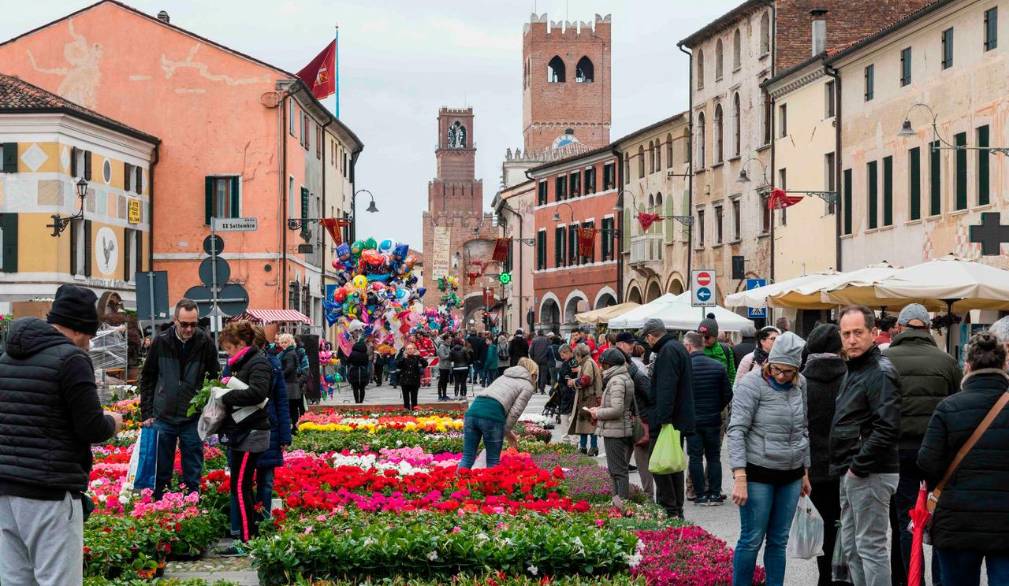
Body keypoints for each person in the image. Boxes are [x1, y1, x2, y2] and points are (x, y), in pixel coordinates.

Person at [0, 285, 123, 586]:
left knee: (14, 581)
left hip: (6, 490)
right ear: (79, 328)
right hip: (50, 492)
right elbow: (91, 427)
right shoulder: (72, 360)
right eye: (90, 335)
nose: (90, 343)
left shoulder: (6, 357)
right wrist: (113, 421)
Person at [918, 332, 1009, 586]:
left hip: (956, 521)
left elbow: (926, 464)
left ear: (967, 366)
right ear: (1004, 365)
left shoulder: (948, 407)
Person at [885, 303, 961, 586]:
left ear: (900, 327)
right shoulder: (947, 362)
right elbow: (957, 406)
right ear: (928, 328)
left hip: (899, 451)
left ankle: (911, 580)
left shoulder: (886, 359)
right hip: (939, 452)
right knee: (938, 518)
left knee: (907, 521)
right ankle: (941, 581)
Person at [728, 331, 811, 586]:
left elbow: (803, 428)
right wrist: (739, 476)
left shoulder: (801, 384)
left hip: (791, 474)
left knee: (779, 540)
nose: (781, 376)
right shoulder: (751, 383)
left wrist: (805, 471)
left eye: (788, 371)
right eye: (777, 369)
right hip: (758, 473)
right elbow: (736, 430)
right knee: (752, 539)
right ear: (769, 362)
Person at [832, 305, 901, 586]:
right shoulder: (855, 368)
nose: (851, 340)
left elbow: (887, 428)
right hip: (854, 469)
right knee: (852, 546)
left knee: (870, 547)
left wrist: (857, 467)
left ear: (873, 333)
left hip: (870, 471)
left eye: (857, 332)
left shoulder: (879, 371)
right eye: (846, 333)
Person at [140, 298, 220, 499]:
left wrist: (206, 408)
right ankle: (161, 504)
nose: (189, 329)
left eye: (193, 324)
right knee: (161, 468)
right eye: (184, 324)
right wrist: (147, 413)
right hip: (163, 415)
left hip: (192, 417)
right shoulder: (161, 341)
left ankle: (191, 504)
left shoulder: (205, 343)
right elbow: (148, 377)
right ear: (175, 320)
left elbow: (215, 379)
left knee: (192, 468)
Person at [227, 327, 290, 539]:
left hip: (263, 429)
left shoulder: (268, 365)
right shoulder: (235, 364)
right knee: (241, 484)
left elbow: (280, 401)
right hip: (244, 428)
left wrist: (284, 434)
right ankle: (241, 529)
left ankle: (259, 529)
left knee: (261, 483)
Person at [217, 321, 273, 553]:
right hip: (242, 432)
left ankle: (247, 540)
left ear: (241, 344)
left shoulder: (258, 362)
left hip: (251, 433)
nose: (228, 353)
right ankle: (247, 538)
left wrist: (226, 396)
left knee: (240, 486)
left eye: (229, 348)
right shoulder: (243, 363)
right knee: (241, 486)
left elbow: (258, 393)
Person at [802, 323, 847, 586]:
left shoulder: (802, 382)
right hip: (847, 466)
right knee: (845, 524)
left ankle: (825, 577)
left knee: (822, 525)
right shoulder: (851, 378)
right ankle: (843, 576)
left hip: (814, 468)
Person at [638, 318, 695, 519]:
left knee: (661, 465)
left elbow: (666, 388)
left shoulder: (668, 351)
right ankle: (676, 509)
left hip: (667, 421)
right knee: (672, 464)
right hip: (676, 419)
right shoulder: (676, 347)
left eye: (647, 339)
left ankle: (670, 509)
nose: (647, 342)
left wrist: (661, 420)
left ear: (651, 336)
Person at [458, 358, 538, 469]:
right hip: (492, 416)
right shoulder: (527, 385)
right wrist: (505, 432)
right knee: (492, 461)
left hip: (472, 412)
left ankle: (458, 480)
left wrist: (507, 433)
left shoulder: (503, 376)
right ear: (533, 373)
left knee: (467, 457)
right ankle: (490, 481)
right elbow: (515, 412)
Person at [683, 331, 732, 506]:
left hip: (693, 421)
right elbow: (728, 394)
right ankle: (715, 493)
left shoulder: (685, 368)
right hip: (713, 419)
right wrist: (716, 408)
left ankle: (700, 494)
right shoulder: (718, 366)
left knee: (695, 457)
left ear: (689, 346)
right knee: (714, 457)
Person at [588, 349, 635, 502]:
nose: (601, 367)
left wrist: (598, 413)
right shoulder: (621, 377)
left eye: (602, 364)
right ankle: (617, 502)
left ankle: (620, 503)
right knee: (617, 470)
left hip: (616, 430)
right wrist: (599, 409)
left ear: (609, 364)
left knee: (617, 471)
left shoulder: (616, 381)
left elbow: (617, 410)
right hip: (617, 428)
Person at [615, 332, 654, 497]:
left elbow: (649, 395)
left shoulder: (635, 371)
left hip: (639, 420)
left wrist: (644, 418)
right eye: (629, 343)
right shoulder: (624, 369)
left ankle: (648, 496)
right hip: (626, 420)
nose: (632, 345)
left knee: (641, 461)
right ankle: (620, 494)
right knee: (622, 461)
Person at [567, 343, 603, 456]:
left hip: (590, 398)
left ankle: (593, 447)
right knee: (583, 424)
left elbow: (586, 380)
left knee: (591, 425)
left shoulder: (588, 363)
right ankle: (583, 447)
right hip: (587, 398)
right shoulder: (587, 362)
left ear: (579, 355)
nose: (575, 358)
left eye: (576, 356)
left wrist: (573, 382)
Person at [698, 315, 737, 389]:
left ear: (715, 336)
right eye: (700, 336)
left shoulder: (726, 350)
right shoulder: (696, 350)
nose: (703, 339)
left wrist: (728, 389)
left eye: (706, 337)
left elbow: (732, 374)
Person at [278, 334, 303, 434]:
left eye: (285, 342)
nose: (283, 344)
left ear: (290, 342)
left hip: (290, 384)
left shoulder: (289, 353)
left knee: (291, 408)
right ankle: (294, 428)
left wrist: (280, 375)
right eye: (282, 342)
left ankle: (293, 429)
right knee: (293, 408)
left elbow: (290, 367)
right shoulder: (289, 352)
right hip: (292, 384)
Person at [397, 342, 428, 410]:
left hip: (414, 381)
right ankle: (406, 411)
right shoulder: (403, 357)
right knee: (406, 399)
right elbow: (398, 365)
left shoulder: (418, 357)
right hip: (405, 381)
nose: (409, 350)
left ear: (414, 349)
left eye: (411, 348)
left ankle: (414, 411)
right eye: (408, 349)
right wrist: (403, 358)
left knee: (414, 399)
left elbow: (425, 364)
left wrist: (420, 357)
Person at [556, 344, 578, 433]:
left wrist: (567, 380)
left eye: (562, 355)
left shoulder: (573, 362)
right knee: (565, 416)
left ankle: (569, 438)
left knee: (568, 416)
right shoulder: (568, 362)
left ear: (568, 352)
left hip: (570, 393)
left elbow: (570, 375)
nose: (562, 358)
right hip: (566, 392)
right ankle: (567, 437)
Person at [346, 336, 370, 404]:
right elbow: (367, 363)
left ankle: (357, 401)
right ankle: (361, 402)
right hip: (363, 372)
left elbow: (348, 362)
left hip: (354, 372)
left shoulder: (352, 353)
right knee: (362, 388)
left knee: (355, 388)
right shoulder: (365, 355)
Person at [529, 329, 553, 394]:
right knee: (543, 375)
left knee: (536, 374)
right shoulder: (547, 340)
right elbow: (550, 349)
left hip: (536, 360)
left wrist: (533, 358)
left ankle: (535, 389)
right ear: (543, 333)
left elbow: (530, 351)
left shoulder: (534, 340)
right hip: (545, 359)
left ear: (538, 333)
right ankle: (542, 389)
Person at [436, 333, 453, 401]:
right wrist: (450, 355)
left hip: (447, 366)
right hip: (443, 366)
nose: (450, 339)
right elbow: (442, 356)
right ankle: (440, 395)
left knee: (445, 381)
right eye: (449, 338)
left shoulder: (448, 346)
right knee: (441, 381)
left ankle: (444, 395)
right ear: (446, 339)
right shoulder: (442, 346)